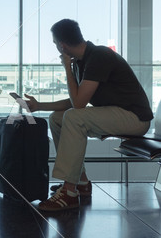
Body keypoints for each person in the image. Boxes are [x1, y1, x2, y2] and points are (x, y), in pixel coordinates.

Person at [24, 19, 153, 212]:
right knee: (57, 119)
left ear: (62, 46)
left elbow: (78, 104)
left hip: (135, 118)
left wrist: (66, 67)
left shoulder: (98, 56)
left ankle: (68, 192)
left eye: (55, 45)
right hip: (117, 114)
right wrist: (39, 105)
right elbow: (75, 100)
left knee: (74, 117)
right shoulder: (82, 62)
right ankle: (81, 183)